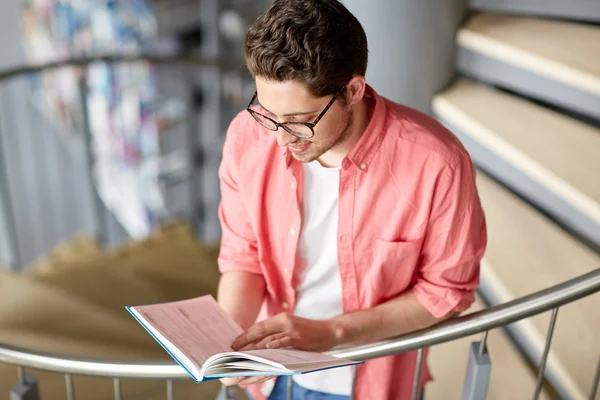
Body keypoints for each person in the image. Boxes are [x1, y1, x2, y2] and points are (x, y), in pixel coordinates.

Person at [216, 1, 487, 399]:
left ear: (353, 90)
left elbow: (446, 292)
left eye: (298, 121)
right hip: (270, 378)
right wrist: (232, 347)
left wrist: (331, 333)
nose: (280, 140)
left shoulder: (437, 163)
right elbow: (244, 257)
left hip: (373, 383)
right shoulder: (246, 136)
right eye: (267, 113)